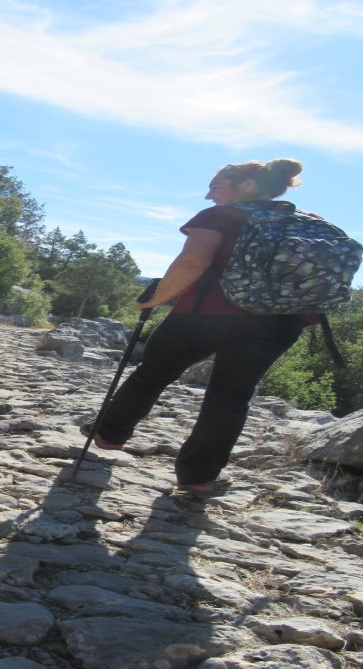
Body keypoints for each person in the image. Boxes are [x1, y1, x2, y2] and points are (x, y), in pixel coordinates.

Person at [89, 158, 312, 494]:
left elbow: (193, 261)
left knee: (152, 375)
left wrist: (155, 299)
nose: (209, 197)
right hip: (278, 323)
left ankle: (108, 434)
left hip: (206, 314)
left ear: (246, 186)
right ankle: (199, 477)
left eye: (215, 187)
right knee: (231, 398)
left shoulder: (222, 216)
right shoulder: (307, 224)